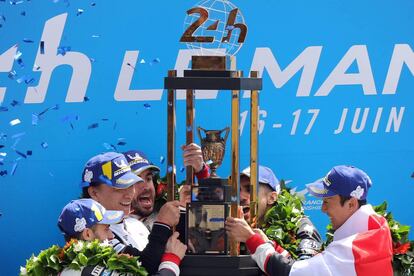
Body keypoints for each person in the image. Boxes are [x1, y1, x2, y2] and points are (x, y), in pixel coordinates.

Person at [226, 165, 393, 276]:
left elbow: (295, 272)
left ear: (351, 203)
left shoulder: (354, 248)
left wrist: (252, 240)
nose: (323, 209)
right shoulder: (373, 229)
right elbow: (311, 267)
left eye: (327, 202)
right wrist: (269, 244)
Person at [80, 152, 181, 275]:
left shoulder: (134, 224)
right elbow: (143, 268)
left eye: (130, 185)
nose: (129, 194)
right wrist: (163, 225)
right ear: (94, 193)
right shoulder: (94, 234)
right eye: (119, 188)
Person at [57, 198, 186, 276]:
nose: (111, 235)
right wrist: (171, 261)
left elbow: (145, 265)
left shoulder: (83, 266)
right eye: (106, 229)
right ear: (87, 234)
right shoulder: (82, 271)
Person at [239, 165, 322, 259]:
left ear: (272, 198)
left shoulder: (301, 226)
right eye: (238, 191)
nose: (241, 197)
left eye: (250, 190)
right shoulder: (235, 232)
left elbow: (305, 270)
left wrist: (266, 245)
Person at [124, 143, 209, 232]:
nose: (146, 187)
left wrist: (201, 172)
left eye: (149, 178)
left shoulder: (167, 214)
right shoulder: (112, 229)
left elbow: (209, 233)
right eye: (137, 180)